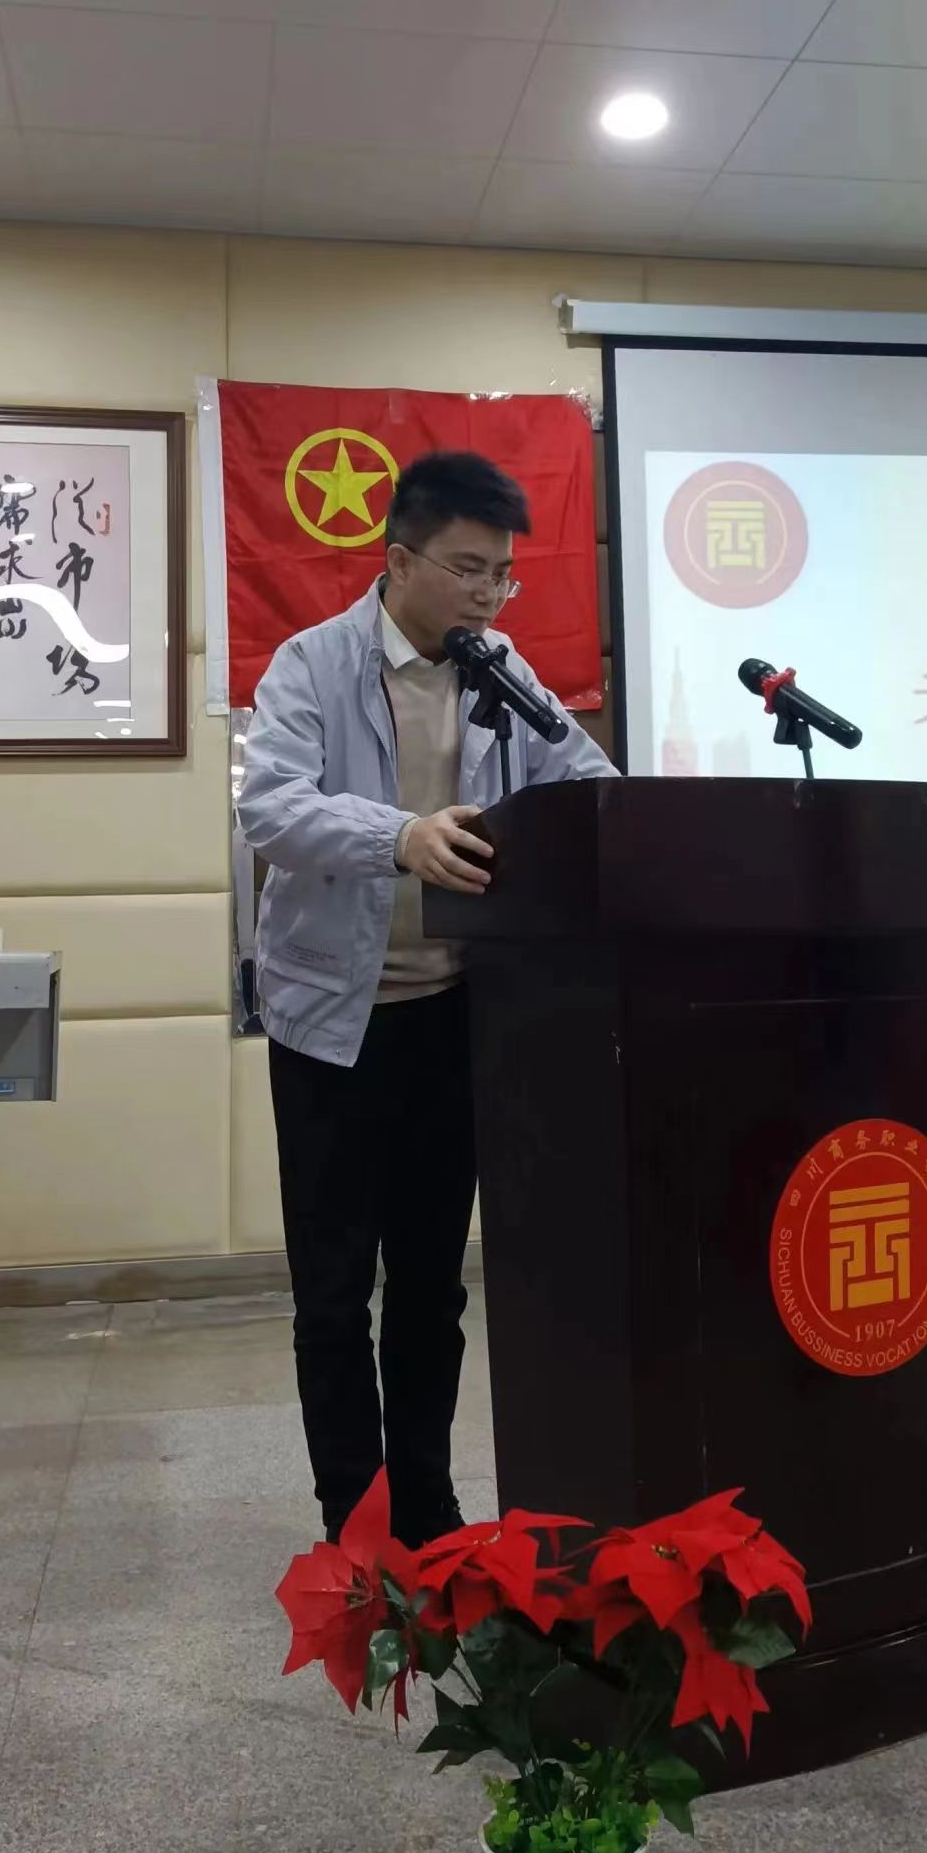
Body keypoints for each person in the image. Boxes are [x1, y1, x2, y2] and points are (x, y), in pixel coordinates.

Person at [238, 449, 616, 1546]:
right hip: (332, 1031)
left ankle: (428, 1508)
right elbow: (273, 808)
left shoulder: (501, 670)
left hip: (455, 1022)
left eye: (502, 574)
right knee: (332, 1293)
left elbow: (587, 786)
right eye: (467, 569)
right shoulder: (313, 664)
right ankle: (354, 1525)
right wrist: (398, 836)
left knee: (432, 1288)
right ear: (399, 560)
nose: (488, 595)